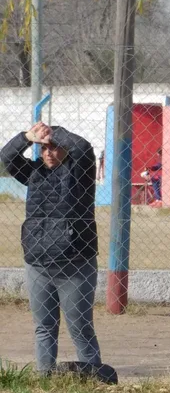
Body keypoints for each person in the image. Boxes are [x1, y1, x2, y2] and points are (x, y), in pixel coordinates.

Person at [0, 122, 104, 376]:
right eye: (44, 148)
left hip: (75, 263)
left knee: (80, 326)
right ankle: (44, 377)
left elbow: (82, 147)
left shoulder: (80, 172)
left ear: (65, 149)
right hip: (37, 262)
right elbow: (5, 158)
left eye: (55, 148)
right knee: (44, 326)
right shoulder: (34, 173)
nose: (48, 153)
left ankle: (95, 377)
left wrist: (53, 132)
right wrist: (27, 137)